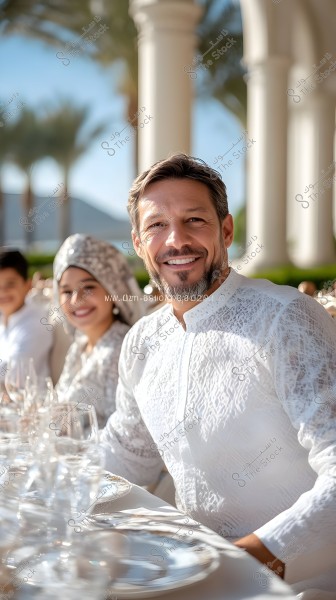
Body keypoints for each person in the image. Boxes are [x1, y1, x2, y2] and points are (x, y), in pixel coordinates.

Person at [100, 154, 336, 596]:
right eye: (156, 226)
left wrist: (241, 564)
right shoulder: (142, 342)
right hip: (193, 573)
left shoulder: (285, 319)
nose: (176, 240)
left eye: (194, 220)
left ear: (226, 230)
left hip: (301, 583)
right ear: (137, 242)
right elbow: (126, 457)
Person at [54, 234, 144, 427]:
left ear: (113, 290)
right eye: (67, 291)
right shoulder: (80, 345)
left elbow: (127, 433)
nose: (76, 299)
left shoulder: (122, 352)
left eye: (88, 287)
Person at [0, 248, 52, 390]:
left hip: (29, 407)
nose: (2, 291)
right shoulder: (4, 318)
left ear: (28, 285)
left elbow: (12, 374)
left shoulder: (36, 324)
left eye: (10, 284)